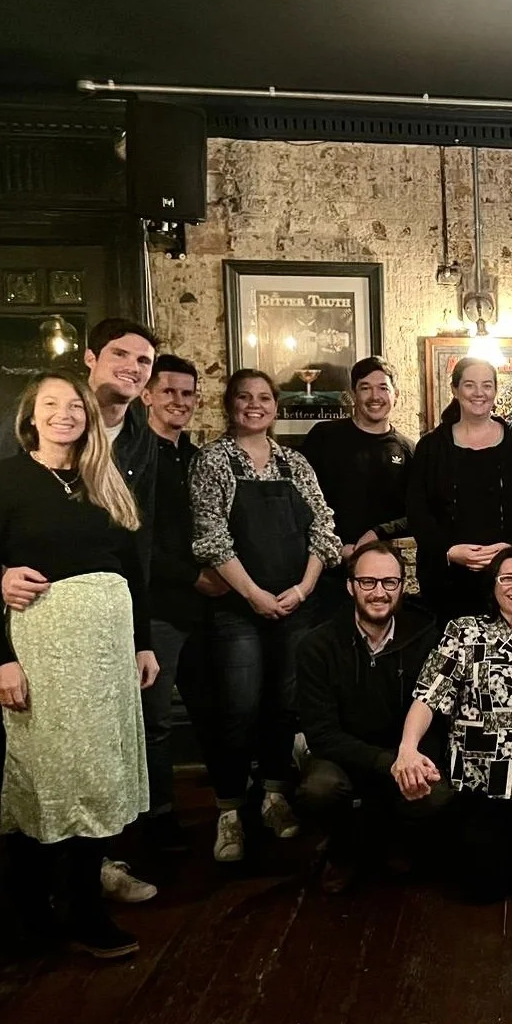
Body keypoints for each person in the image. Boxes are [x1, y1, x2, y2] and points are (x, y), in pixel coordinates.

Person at [0, 373, 158, 958]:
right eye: (50, 405)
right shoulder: (3, 479)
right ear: (30, 418)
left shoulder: (102, 480)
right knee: (47, 772)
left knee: (99, 775)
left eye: (74, 405)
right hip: (45, 651)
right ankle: (30, 906)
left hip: (108, 654)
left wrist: (142, 643)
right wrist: (0, 659)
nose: (65, 414)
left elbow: (133, 569)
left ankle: (83, 907)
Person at [190, 369, 342, 863]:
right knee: (238, 707)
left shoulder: (294, 462)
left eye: (263, 398)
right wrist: (254, 594)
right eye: (244, 398)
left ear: (275, 406)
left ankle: (276, 796)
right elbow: (210, 537)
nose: (254, 406)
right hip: (239, 608)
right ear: (229, 405)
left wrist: (303, 588)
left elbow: (324, 530)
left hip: (298, 605)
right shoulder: (214, 461)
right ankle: (231, 809)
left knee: (286, 703)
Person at [393, 547, 512, 902]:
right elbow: (428, 695)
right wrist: (408, 747)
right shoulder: (464, 633)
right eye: (507, 578)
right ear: (492, 586)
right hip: (478, 789)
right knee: (482, 891)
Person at [295, 541, 450, 893]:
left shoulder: (427, 637)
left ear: (402, 586)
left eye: (389, 583)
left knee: (437, 792)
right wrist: (389, 762)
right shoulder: (317, 646)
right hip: (343, 757)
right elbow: (322, 734)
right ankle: (343, 850)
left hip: (405, 753)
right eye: (368, 582)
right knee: (320, 788)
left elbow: (437, 713)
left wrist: (414, 761)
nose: (379, 592)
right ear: (350, 586)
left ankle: (390, 840)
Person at [140, 354, 227, 852]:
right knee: (155, 720)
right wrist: (194, 576)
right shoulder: (133, 456)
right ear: (148, 395)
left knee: (216, 711)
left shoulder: (198, 457)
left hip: (208, 609)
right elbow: (138, 539)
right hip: (160, 609)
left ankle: (228, 809)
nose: (179, 401)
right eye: (168, 391)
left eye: (188, 394)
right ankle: (157, 818)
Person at [406, 356, 512, 622]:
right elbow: (417, 510)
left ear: (495, 390)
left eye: (487, 385)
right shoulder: (431, 447)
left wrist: (510, 548)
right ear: (455, 390)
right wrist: (448, 551)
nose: (479, 393)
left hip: (510, 576)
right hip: (447, 580)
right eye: (470, 385)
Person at [300, 356, 414, 604]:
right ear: (352, 394)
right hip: (322, 572)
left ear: (397, 394)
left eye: (383, 388)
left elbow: (418, 513)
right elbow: (298, 502)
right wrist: (336, 549)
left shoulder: (408, 450)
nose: (375, 396)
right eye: (365, 387)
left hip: (381, 579)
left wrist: (377, 533)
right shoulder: (323, 437)